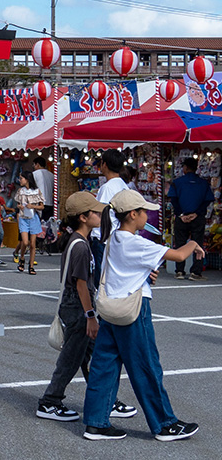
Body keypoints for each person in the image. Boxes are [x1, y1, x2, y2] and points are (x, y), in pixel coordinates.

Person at [82, 189, 202, 441]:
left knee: (104, 368)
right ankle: (165, 424)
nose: (148, 216)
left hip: (110, 310)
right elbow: (179, 255)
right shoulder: (137, 242)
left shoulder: (112, 238)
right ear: (133, 214)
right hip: (133, 312)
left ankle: (95, 423)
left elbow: (124, 269)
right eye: (144, 211)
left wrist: (147, 275)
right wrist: (194, 242)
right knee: (147, 367)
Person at [36, 191, 137, 423]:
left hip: (78, 307)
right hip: (79, 308)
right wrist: (90, 315)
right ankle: (49, 401)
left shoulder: (83, 241)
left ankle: (105, 400)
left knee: (89, 357)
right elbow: (81, 284)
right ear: (83, 217)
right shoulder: (80, 246)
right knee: (72, 358)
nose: (100, 213)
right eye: (95, 211)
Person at [168, 157, 213, 281]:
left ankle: (180, 271)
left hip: (181, 217)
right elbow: (208, 200)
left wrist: (181, 214)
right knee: (197, 244)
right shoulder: (203, 183)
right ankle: (195, 272)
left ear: (185, 168)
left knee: (180, 243)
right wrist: (197, 213)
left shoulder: (177, 182)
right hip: (197, 218)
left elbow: (174, 200)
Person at [89, 149, 129, 285]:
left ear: (104, 164)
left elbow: (101, 212)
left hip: (103, 237)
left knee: (100, 276)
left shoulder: (107, 188)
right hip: (117, 236)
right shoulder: (125, 187)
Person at [14, 170, 45, 275]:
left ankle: (31, 265)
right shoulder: (20, 191)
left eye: (21, 178)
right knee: (25, 241)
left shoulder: (36, 191)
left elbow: (42, 206)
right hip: (23, 217)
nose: (20, 180)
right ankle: (22, 258)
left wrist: (33, 206)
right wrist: (20, 206)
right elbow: (18, 204)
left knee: (32, 244)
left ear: (27, 179)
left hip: (33, 218)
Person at [33, 157, 55, 222]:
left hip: (39, 203)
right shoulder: (51, 175)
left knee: (39, 224)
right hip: (50, 203)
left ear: (37, 164)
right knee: (48, 224)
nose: (34, 167)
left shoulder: (35, 174)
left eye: (34, 165)